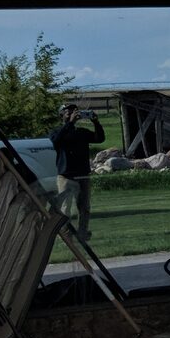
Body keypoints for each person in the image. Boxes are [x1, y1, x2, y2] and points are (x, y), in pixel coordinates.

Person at [49, 103, 105, 243]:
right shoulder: (57, 132)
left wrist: (96, 122)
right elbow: (56, 141)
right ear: (61, 115)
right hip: (66, 176)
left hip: (83, 174)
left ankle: (82, 233)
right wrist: (70, 123)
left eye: (74, 112)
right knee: (65, 208)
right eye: (68, 113)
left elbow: (99, 138)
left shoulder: (81, 132)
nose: (72, 115)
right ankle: (66, 234)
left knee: (84, 207)